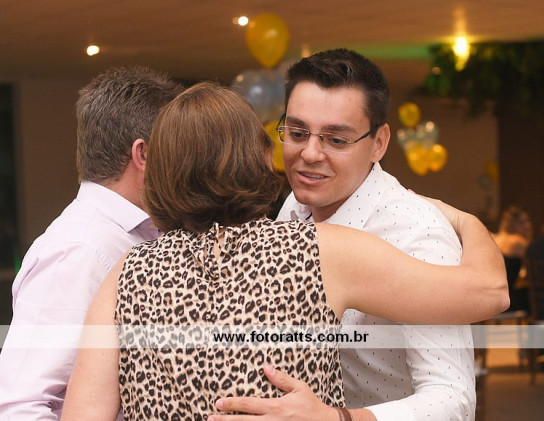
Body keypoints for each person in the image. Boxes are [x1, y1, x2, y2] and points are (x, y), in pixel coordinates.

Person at [61, 82, 508, 421]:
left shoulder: (126, 274)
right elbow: (488, 292)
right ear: (259, 159)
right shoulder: (320, 250)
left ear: (159, 172)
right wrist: (466, 221)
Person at [216, 48, 480, 421]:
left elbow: (454, 399)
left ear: (379, 143)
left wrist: (340, 418)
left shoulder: (416, 233)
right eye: (297, 133)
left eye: (336, 140)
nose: (309, 154)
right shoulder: (295, 206)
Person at [0, 66, 183, 419]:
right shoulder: (78, 251)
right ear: (143, 155)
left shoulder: (134, 235)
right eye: (176, 148)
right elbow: (20, 405)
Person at [493, 206, 532, 312]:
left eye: (528, 221)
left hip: (491, 297)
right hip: (506, 299)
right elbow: (534, 270)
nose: (528, 226)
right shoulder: (517, 242)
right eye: (522, 222)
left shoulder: (497, 239)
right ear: (512, 224)